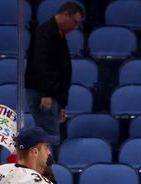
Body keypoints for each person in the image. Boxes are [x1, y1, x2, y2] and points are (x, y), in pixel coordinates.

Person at [25, 2, 85, 146]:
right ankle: (46, 167)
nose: (75, 27)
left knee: (51, 134)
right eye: (75, 22)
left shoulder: (60, 34)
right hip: (44, 94)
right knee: (48, 136)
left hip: (53, 95)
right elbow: (41, 64)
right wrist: (45, 94)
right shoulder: (45, 32)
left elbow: (62, 69)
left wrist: (62, 103)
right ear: (65, 15)